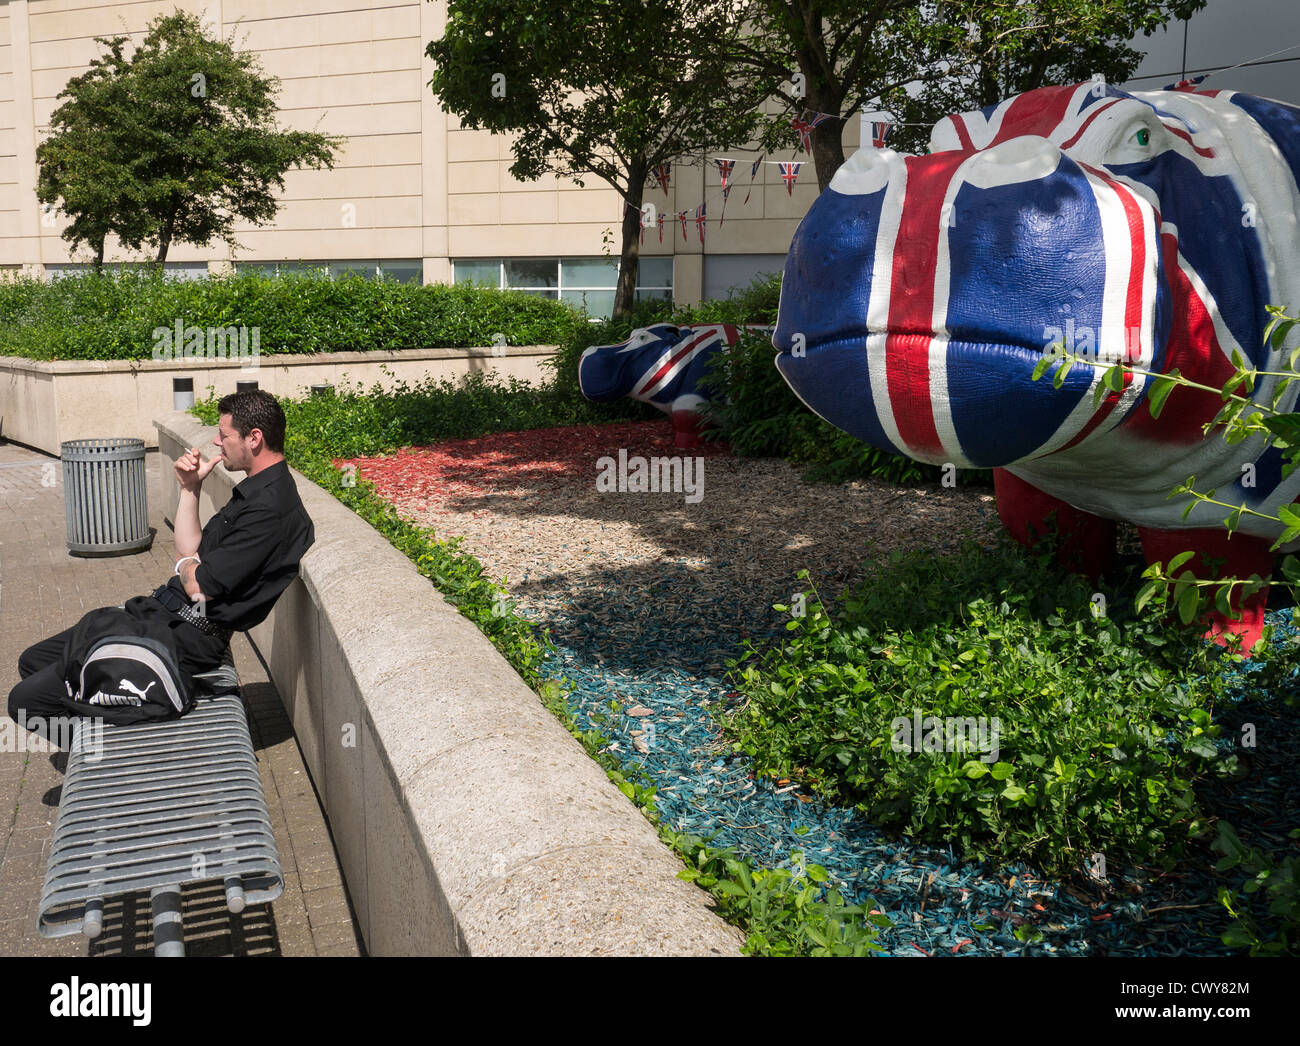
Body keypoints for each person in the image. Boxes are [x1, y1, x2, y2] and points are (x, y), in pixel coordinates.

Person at [6, 390, 315, 743]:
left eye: (224, 435)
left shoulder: (270, 509)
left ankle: (109, 757)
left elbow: (199, 586)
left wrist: (187, 566)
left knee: (25, 702)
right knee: (34, 660)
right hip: (160, 616)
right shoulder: (256, 492)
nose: (216, 441)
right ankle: (104, 730)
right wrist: (190, 489)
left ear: (254, 438)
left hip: (186, 638)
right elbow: (190, 550)